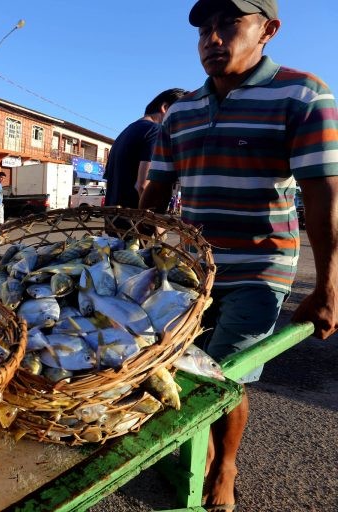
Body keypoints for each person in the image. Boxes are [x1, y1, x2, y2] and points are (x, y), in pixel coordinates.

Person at [139, 1, 338, 510]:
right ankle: (197, 455)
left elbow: (324, 199)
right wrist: (131, 258)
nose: (213, 37)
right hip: (190, 270)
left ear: (267, 30)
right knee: (178, 366)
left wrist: (328, 288)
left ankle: (223, 463)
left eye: (229, 23)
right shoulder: (179, 114)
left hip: (261, 268)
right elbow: (154, 199)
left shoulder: (304, 94)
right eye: (205, 28)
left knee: (223, 374)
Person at [103, 88, 187, 210]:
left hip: (113, 220)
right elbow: (143, 185)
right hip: (134, 223)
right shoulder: (156, 131)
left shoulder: (124, 133)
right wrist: (155, 227)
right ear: (165, 108)